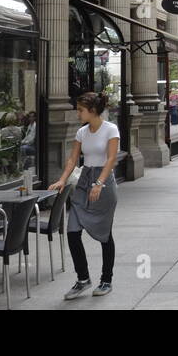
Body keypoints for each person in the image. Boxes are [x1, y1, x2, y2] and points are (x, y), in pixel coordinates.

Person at [49, 91, 119, 300]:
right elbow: (72, 159)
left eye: (80, 110)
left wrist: (100, 183)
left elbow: (111, 159)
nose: (77, 113)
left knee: (105, 234)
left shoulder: (110, 129)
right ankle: (83, 279)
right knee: (72, 232)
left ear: (93, 110)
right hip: (84, 182)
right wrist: (62, 179)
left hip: (104, 183)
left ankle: (106, 280)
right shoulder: (82, 132)